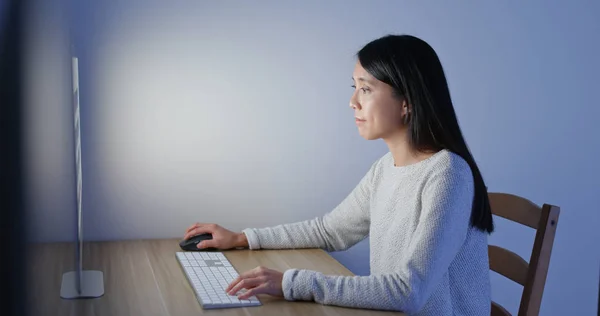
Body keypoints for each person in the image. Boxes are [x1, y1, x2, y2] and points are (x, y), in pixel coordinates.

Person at [183, 34, 494, 315]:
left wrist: (293, 283)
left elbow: (409, 291)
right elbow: (330, 231)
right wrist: (242, 238)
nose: (352, 101)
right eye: (354, 87)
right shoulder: (385, 169)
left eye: (366, 89)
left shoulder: (448, 175)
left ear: (406, 103)